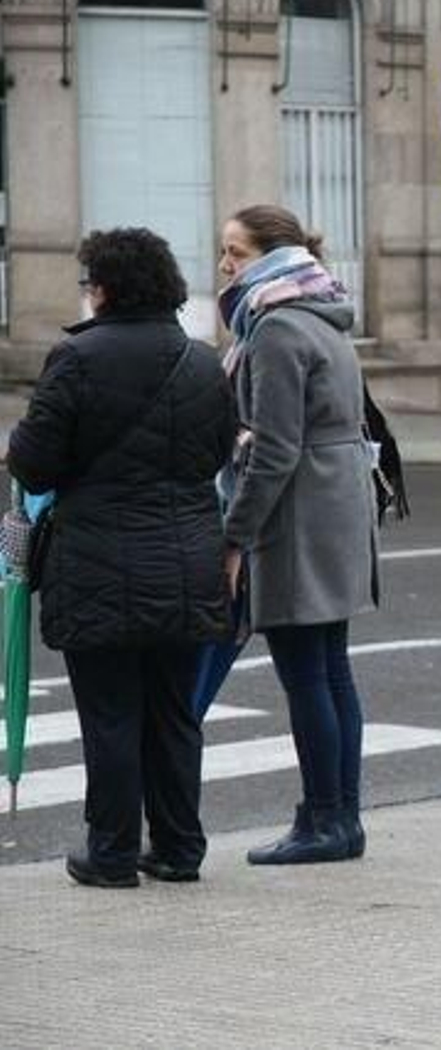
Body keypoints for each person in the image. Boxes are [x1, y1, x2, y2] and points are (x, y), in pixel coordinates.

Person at [8, 227, 235, 887]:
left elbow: (35, 461)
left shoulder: (76, 359)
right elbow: (219, 453)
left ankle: (110, 854)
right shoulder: (201, 362)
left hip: (98, 561)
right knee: (173, 712)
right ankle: (178, 848)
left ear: (102, 288)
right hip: (188, 562)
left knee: (110, 713)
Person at [218, 204, 378, 865]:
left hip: (299, 515)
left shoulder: (278, 328)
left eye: (238, 252)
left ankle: (323, 822)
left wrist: (234, 535)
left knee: (306, 675)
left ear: (274, 256)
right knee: (330, 670)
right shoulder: (323, 315)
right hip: (334, 503)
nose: (227, 265)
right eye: (224, 251)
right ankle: (340, 819)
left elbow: (275, 449)